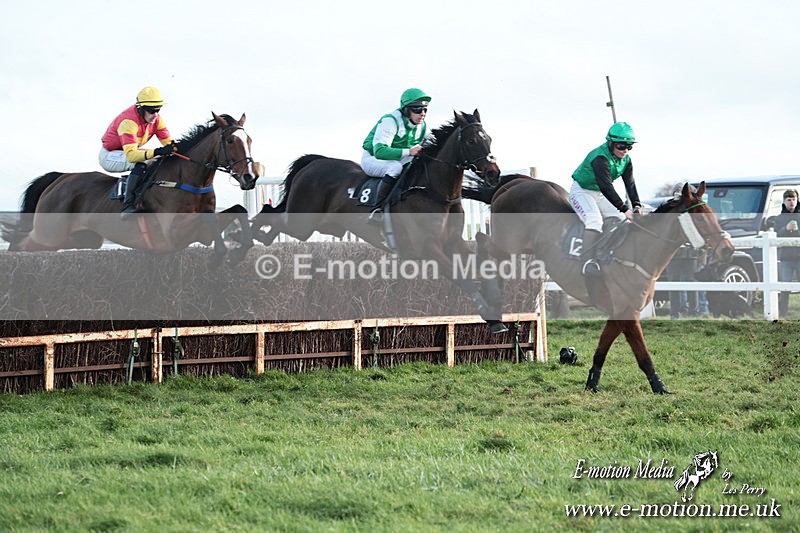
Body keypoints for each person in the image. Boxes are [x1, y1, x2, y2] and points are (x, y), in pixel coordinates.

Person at [569, 121, 642, 276]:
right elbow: (606, 186)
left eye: (629, 146)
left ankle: (603, 252)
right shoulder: (600, 158)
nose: (625, 150)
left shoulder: (626, 160)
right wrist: (624, 208)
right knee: (595, 221)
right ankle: (587, 262)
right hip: (582, 191)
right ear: (610, 143)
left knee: (620, 220)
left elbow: (630, 184)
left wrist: (637, 205)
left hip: (599, 194)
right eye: (621, 146)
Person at [99, 86, 176, 219]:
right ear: (140, 109)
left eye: (158, 110)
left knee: (158, 159)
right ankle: (127, 205)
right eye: (151, 111)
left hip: (127, 151)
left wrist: (177, 149)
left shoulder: (157, 120)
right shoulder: (128, 122)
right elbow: (131, 156)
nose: (155, 114)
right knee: (141, 162)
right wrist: (157, 151)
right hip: (110, 155)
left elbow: (169, 143)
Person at [361, 88, 432, 218]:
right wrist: (409, 151)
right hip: (373, 158)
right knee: (395, 168)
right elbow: (380, 152)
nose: (422, 114)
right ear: (406, 110)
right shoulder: (390, 121)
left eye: (425, 110)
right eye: (417, 109)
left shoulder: (422, 126)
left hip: (397, 158)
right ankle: (377, 209)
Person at [774, 189, 800, 316]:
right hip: (786, 258)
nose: (791, 202)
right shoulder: (779, 219)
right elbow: (775, 236)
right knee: (785, 287)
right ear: (784, 201)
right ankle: (782, 314)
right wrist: (786, 229)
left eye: (793, 199)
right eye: (789, 199)